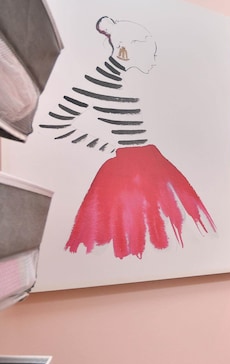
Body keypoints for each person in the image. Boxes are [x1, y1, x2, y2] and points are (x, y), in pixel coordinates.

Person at [39, 16, 215, 259]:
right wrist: (105, 145)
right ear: (126, 50)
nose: (153, 61)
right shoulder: (99, 80)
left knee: (164, 231)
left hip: (153, 161)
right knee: (135, 230)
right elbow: (55, 120)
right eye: (149, 54)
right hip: (128, 168)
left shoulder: (132, 82)